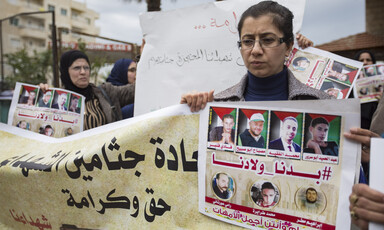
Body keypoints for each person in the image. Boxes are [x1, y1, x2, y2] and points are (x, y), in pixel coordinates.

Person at [180, 1, 332, 112]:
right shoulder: (217, 106)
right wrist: (185, 113)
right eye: (247, 41)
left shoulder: (325, 105)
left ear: (288, 46)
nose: (256, 50)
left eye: (267, 40)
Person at [40, 50, 135, 130]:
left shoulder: (105, 92)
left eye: (86, 68)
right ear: (66, 72)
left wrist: (146, 56)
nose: (83, 72)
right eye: (77, 68)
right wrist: (39, 96)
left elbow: (134, 90)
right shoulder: (56, 99)